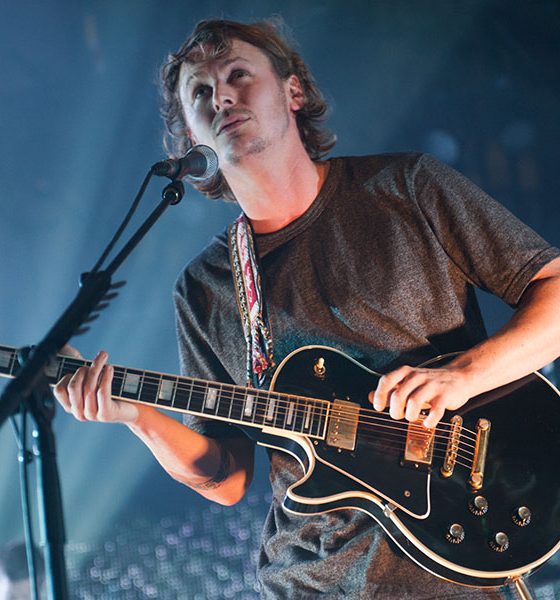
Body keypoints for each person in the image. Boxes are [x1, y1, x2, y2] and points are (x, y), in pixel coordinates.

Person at [53, 18, 560, 599]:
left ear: (293, 91)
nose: (220, 95)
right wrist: (135, 415)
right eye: (199, 92)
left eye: (237, 74)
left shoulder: (407, 187)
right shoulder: (207, 288)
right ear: (192, 137)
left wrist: (463, 375)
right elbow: (227, 476)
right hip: (306, 580)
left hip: (450, 564)